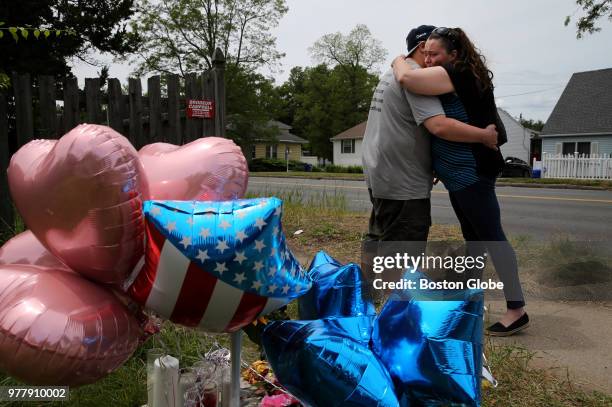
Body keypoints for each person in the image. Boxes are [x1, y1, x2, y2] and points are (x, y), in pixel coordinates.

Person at [392, 27, 528, 336]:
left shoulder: (457, 72)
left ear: (453, 55)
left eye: (434, 54)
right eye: (424, 53)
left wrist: (399, 59)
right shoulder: (452, 72)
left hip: (473, 173)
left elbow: (406, 79)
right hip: (460, 175)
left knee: (492, 237)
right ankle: (469, 299)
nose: (427, 60)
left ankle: (517, 309)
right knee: (475, 238)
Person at [361, 25, 498, 300]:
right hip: (404, 182)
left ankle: (365, 297)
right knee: (403, 246)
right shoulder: (415, 80)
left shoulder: (390, 75)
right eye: (431, 54)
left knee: (378, 237)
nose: (435, 62)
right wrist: (484, 136)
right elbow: (439, 126)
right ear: (422, 50)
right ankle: (392, 309)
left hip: (379, 172)